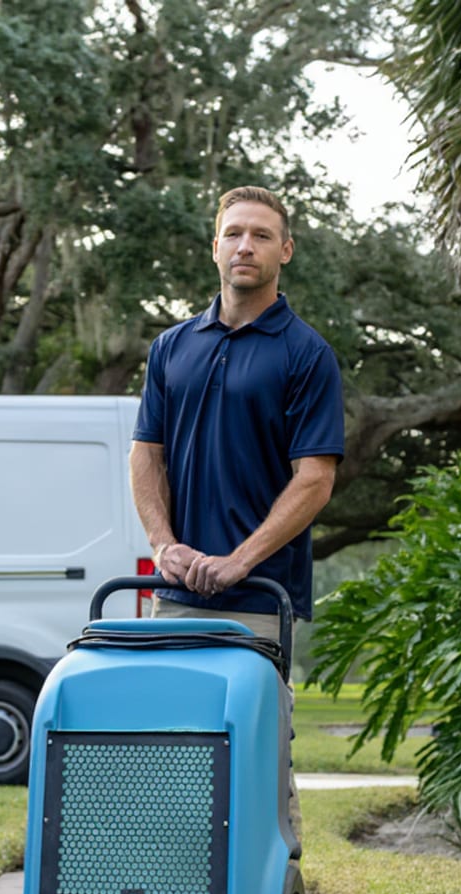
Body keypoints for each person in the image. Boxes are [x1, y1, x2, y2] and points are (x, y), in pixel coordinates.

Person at [130, 186, 344, 642]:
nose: (245, 246)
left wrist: (239, 562)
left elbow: (315, 479)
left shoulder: (308, 354)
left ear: (285, 251)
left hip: (261, 599)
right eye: (234, 234)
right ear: (216, 248)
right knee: (168, 715)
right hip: (174, 594)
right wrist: (163, 545)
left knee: (248, 717)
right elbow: (146, 455)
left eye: (262, 236)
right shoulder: (170, 348)